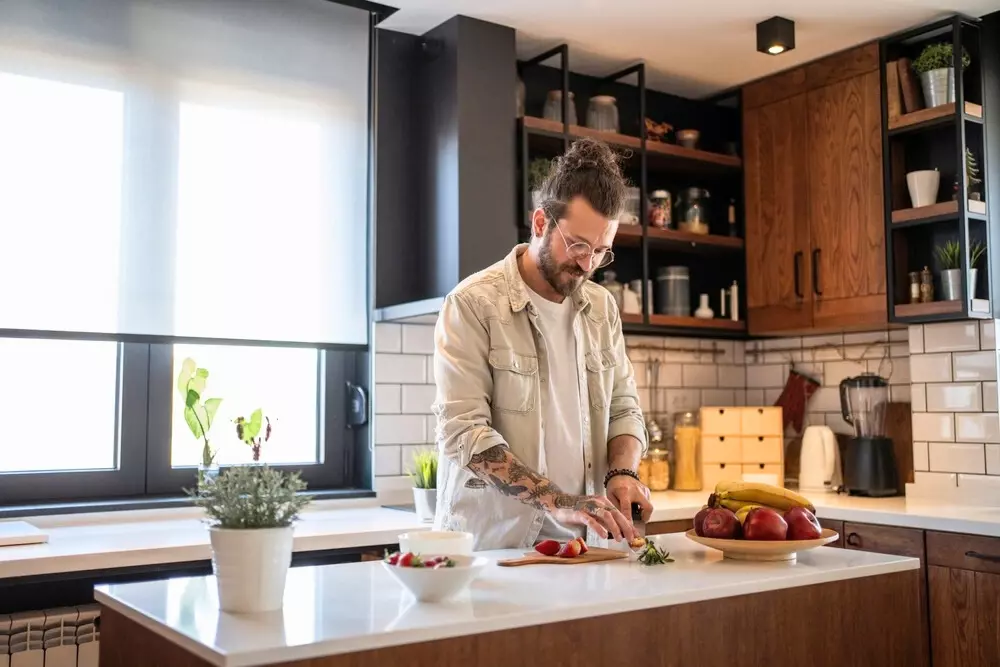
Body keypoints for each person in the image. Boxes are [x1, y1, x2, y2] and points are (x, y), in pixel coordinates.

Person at [431, 137, 651, 550]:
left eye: (602, 252)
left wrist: (623, 473)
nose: (588, 265)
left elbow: (624, 407)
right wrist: (559, 502)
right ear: (539, 224)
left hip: (589, 546)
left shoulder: (603, 308)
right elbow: (465, 434)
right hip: (495, 548)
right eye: (578, 245)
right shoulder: (472, 305)